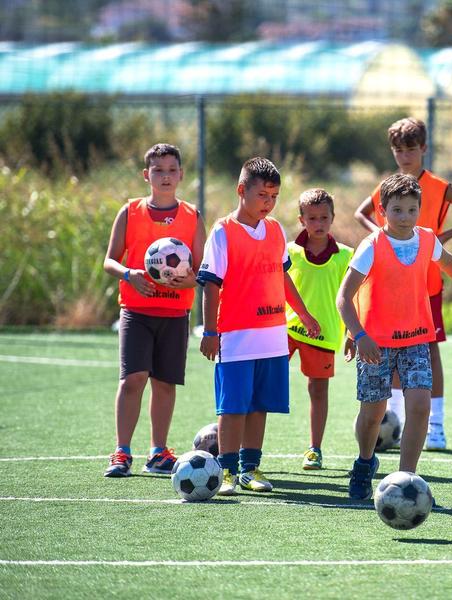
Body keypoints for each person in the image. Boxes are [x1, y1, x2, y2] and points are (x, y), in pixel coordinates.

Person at [338, 173, 452, 500]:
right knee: (373, 413)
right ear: (382, 211)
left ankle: (407, 479)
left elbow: (449, 262)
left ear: (420, 211)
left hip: (417, 338)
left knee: (419, 406)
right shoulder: (371, 245)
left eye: (412, 210)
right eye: (397, 210)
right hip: (376, 344)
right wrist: (358, 334)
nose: (405, 217)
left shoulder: (427, 239)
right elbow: (344, 297)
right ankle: (364, 462)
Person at [354, 117, 452, 450]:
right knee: (393, 348)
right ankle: (395, 419)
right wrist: (379, 236)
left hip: (425, 281)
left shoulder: (439, 187)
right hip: (389, 284)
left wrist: (448, 235)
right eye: (398, 150)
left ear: (424, 149)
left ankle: (437, 426)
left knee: (427, 349)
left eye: (411, 149)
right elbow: (362, 213)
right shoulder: (388, 188)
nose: (404, 156)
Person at [197, 157, 320, 496]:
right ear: (241, 190)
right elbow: (210, 285)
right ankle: (225, 472)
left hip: (273, 337)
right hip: (235, 336)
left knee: (259, 405)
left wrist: (304, 314)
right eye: (262, 195)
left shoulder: (277, 231)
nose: (268, 202)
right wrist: (210, 331)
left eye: (274, 196)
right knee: (233, 406)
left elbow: (282, 277)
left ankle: (250, 468)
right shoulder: (222, 231)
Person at [102, 143, 206, 478]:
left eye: (171, 170)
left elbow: (202, 272)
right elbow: (109, 260)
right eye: (158, 171)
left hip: (175, 313)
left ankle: (158, 451)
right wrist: (129, 274)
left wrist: (187, 283)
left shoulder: (192, 216)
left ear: (180, 175)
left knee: (164, 383)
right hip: (136, 310)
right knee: (133, 379)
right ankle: (121, 452)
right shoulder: (130, 211)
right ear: (146, 175)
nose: (165, 176)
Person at [286, 188, 353, 470]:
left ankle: (314, 449)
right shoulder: (289, 251)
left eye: (324, 217)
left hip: (324, 333)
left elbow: (354, 296)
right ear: (302, 220)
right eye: (312, 218)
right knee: (262, 385)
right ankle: (248, 449)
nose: (318, 223)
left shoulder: (345, 256)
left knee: (318, 390)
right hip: (286, 329)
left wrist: (352, 332)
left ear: (333, 218)